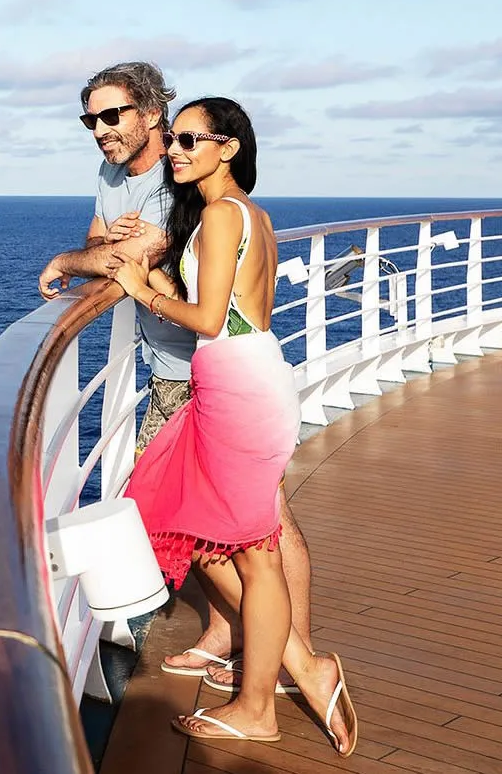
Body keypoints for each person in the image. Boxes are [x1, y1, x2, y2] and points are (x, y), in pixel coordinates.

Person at [38, 61, 318, 696]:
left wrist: (72, 260)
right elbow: (105, 244)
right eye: (91, 119)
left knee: (254, 523)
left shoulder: (179, 182)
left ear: (152, 117)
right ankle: (241, 638)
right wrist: (107, 253)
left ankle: (291, 657)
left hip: (209, 372)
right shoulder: (114, 173)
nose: (100, 130)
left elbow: (128, 259)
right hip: (178, 371)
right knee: (227, 522)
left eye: (113, 116)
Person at [110, 96, 357, 755]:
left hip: (239, 384)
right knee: (194, 523)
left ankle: (260, 705)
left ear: (230, 147)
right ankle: (302, 668)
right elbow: (237, 306)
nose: (176, 150)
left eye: (191, 139)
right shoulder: (250, 214)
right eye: (174, 141)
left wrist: (142, 291)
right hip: (246, 378)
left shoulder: (222, 215)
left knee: (251, 552)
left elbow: (210, 319)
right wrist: (156, 266)